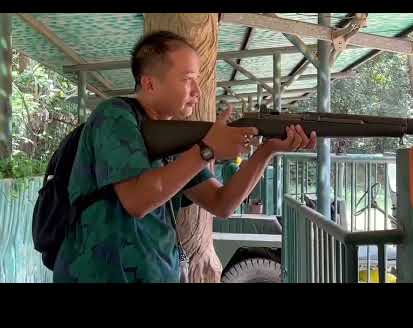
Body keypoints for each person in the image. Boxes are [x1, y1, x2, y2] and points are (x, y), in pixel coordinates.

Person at [53, 31, 316, 283]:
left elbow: (221, 203)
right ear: (149, 83)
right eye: (187, 79)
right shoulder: (114, 116)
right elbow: (137, 200)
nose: (197, 91)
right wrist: (206, 150)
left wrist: (266, 151)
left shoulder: (175, 140)